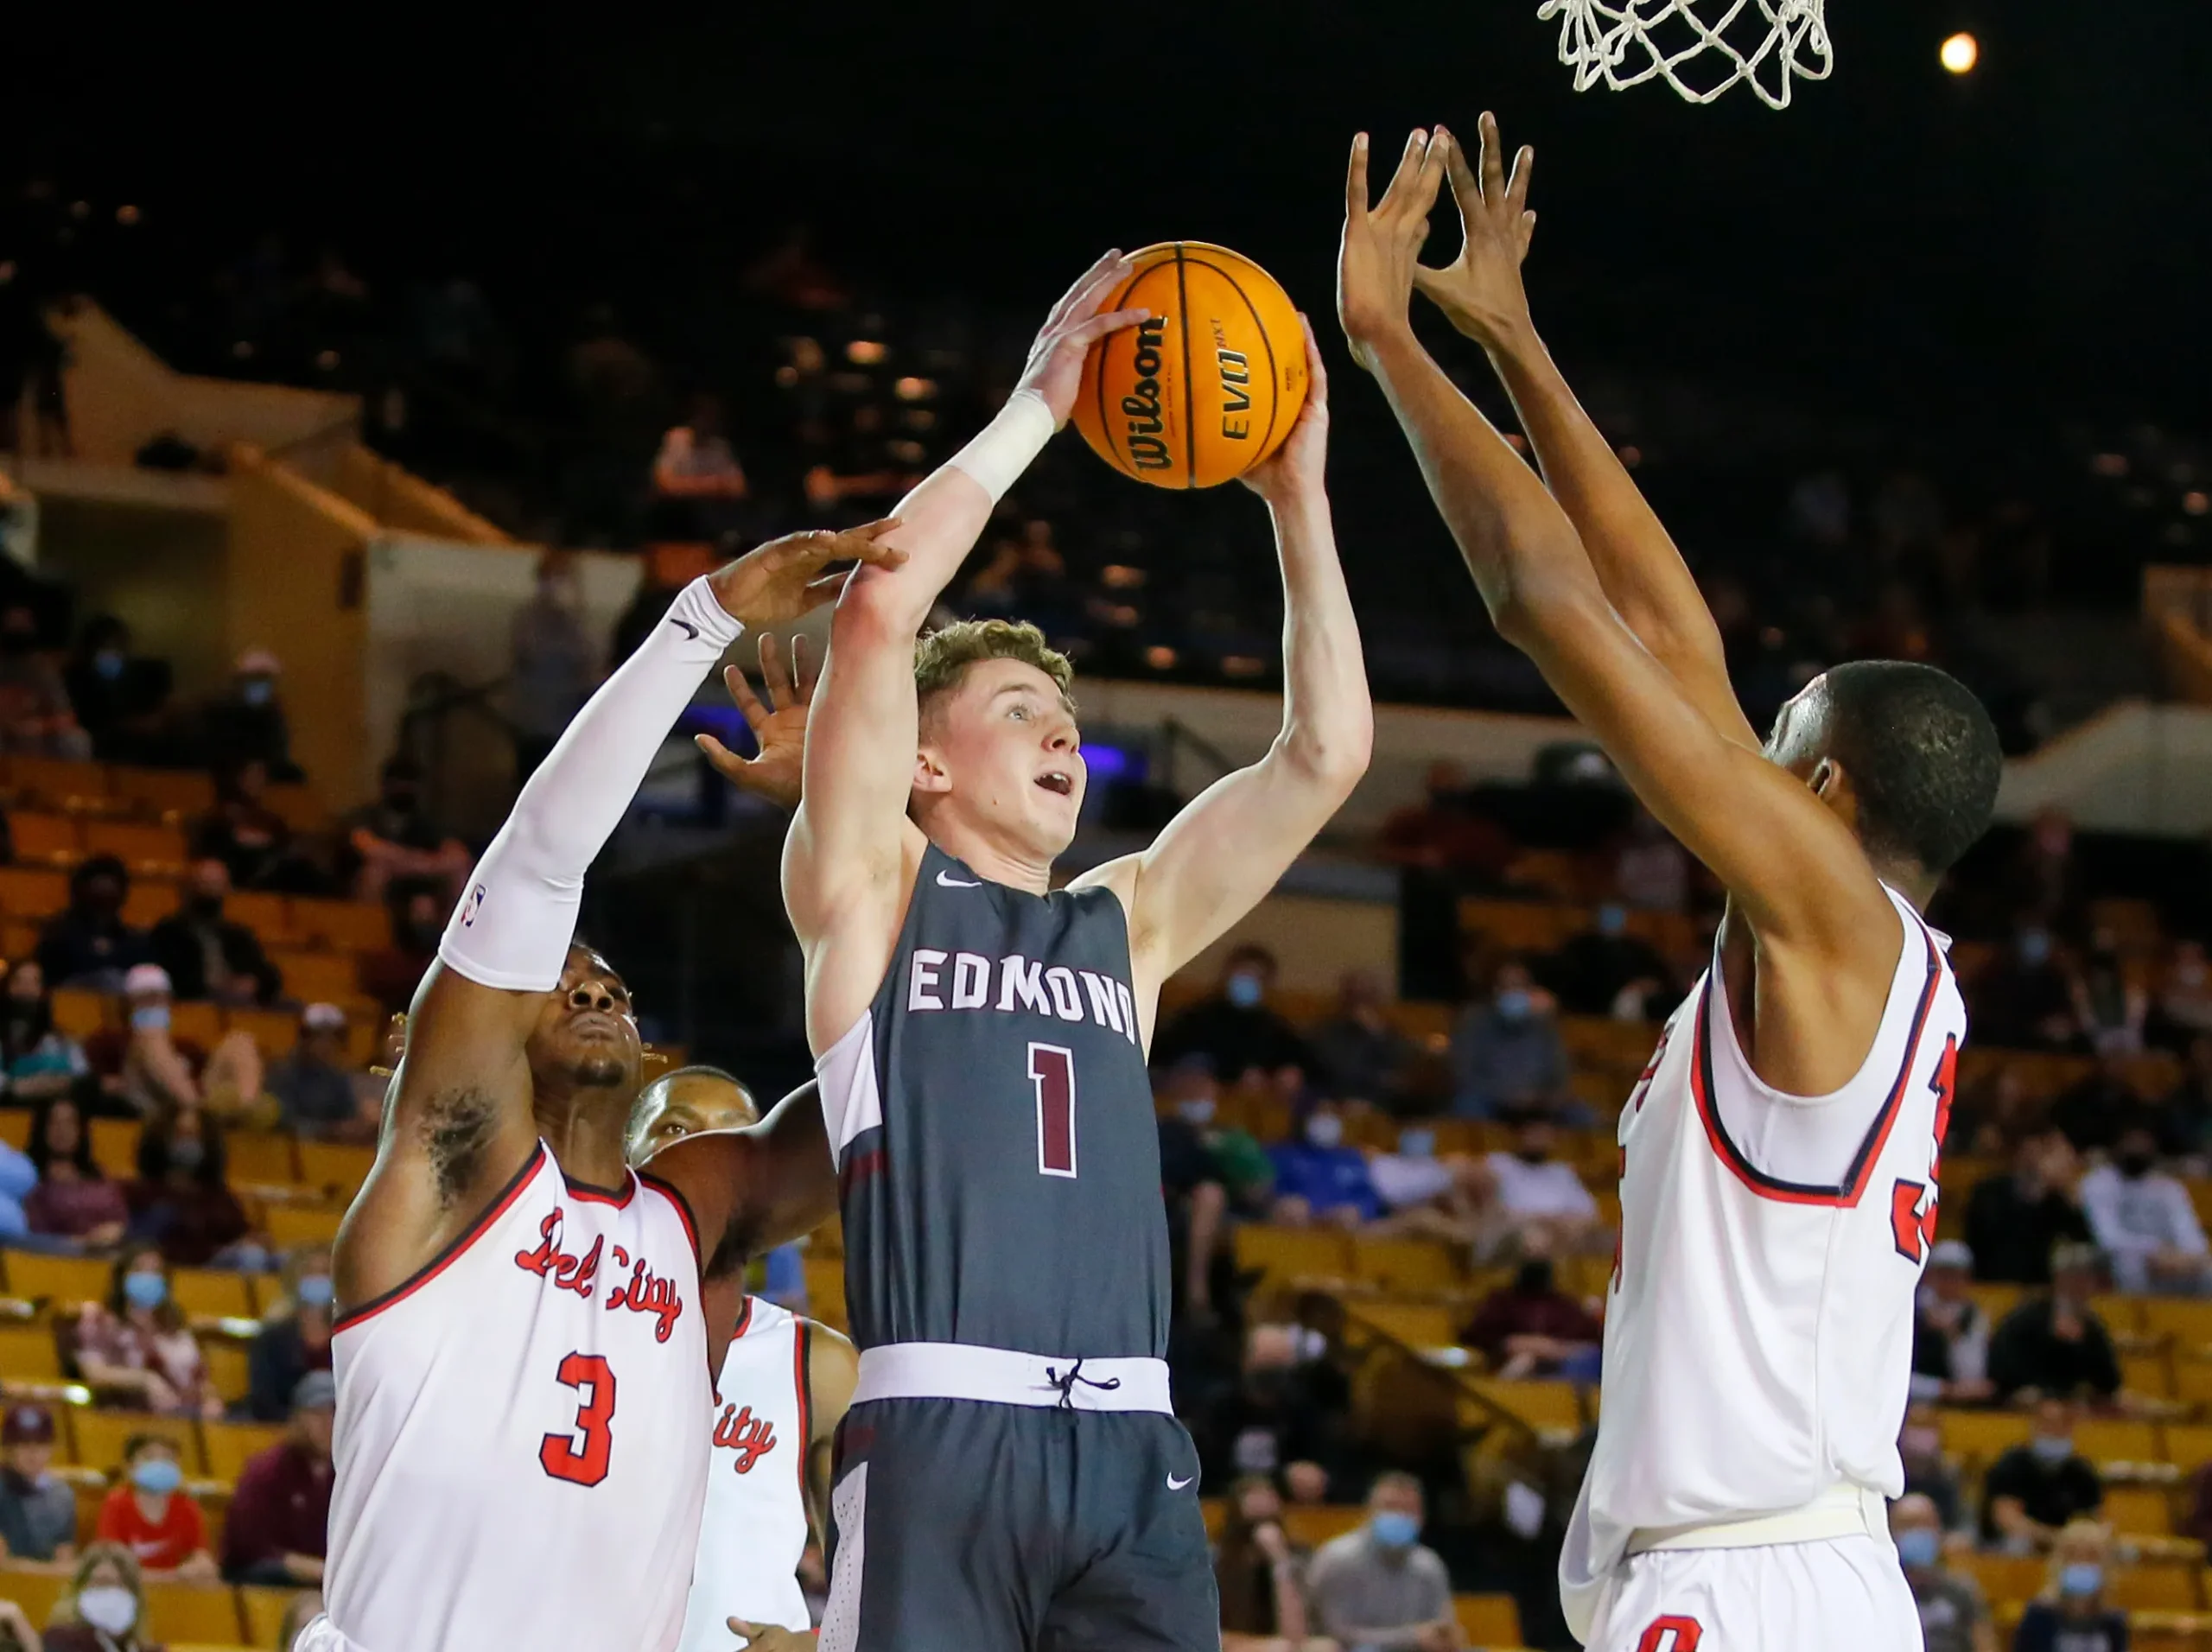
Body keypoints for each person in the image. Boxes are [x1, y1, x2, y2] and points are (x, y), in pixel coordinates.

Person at [1338, 118, 1999, 1650]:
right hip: (1781, 1571)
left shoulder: (1831, 919)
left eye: (1780, 732)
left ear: (1825, 794)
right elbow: (1660, 618)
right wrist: (1514, 340)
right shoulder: (1861, 944)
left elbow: (1546, 600)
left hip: (1749, 1582)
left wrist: (1385, 343)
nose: (1739, 732)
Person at [776, 251, 1367, 1649]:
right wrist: (1042, 405)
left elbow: (1327, 752)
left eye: (1064, 715)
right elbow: (877, 604)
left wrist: (1300, 499)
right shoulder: (871, 889)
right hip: (944, 1428)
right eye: (1021, 705)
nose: (1060, 732)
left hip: (1132, 1445)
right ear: (922, 758)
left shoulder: (1128, 921)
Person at [296, 524, 891, 1652]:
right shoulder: (446, 1180)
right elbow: (536, 861)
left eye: (610, 982)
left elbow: (896, 1072)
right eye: (559, 978)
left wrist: (850, 827)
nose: (593, 988)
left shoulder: (693, 1212)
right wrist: (702, 622)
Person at [624, 1065, 860, 1650]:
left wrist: (812, 1645)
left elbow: (890, 1578)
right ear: (623, 1159)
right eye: (677, 1129)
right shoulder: (558, 1321)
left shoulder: (816, 1362)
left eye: (737, 1134)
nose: (711, 1151)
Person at [1306, 1473, 1461, 1652]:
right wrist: (1412, 1637)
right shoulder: (1337, 1559)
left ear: (1422, 1517)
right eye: (1390, 1508)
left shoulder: (1429, 1565)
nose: (1399, 1516)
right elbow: (1336, 1634)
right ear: (1369, 1512)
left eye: (1408, 1510)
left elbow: (1443, 1630)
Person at [1193, 1324, 1350, 1500]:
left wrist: (1314, 1476)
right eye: (1265, 1369)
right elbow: (1203, 1470)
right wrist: (1278, 1479)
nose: (1271, 1380)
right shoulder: (1218, 1409)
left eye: (1279, 1369)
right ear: (1245, 1361)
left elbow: (1328, 1465)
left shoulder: (1304, 1410)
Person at [68, 1246, 219, 1417]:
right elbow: (94, 1373)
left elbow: (200, 1378)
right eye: (139, 1270)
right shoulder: (100, 1320)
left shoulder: (175, 1325)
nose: (148, 1278)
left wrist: (211, 1399)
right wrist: (144, 1379)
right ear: (122, 1276)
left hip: (185, 1414)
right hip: (129, 1414)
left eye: (155, 1271)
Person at [222, 1371, 334, 1586]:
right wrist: (313, 1569)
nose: (327, 1424)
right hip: (270, 1583)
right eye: (317, 1414)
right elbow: (249, 1548)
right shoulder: (266, 1472)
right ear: (296, 1419)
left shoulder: (344, 1476)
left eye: (334, 1414)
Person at [1153, 944, 1315, 1088]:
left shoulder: (1273, 1027)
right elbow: (1165, 1054)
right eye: (1243, 974)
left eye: (1256, 977)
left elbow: (1305, 1063)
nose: (1247, 982)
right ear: (1226, 975)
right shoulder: (1199, 1018)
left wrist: (1283, 1075)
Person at [2078, 1123, 2212, 1293]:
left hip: (2172, 1267)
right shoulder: (2098, 1183)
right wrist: (2154, 1251)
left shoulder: (2169, 1187)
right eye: (2132, 1141)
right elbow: (2108, 1239)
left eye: (2143, 1141)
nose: (2137, 1147)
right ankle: (2129, 1318)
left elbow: (2192, 1238)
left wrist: (2185, 1259)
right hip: (2123, 1266)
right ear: (2118, 1144)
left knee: (2208, 1269)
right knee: (2129, 1263)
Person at [1988, 1243, 2122, 1404]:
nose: (2082, 1285)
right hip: (2029, 1399)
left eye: (2087, 1278)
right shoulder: (2028, 1318)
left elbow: (2109, 1381)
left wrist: (2079, 1343)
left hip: (2076, 1403)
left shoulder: (2092, 1326)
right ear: (2059, 1278)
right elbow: (2003, 1369)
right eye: (2076, 1277)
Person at [509, 550, 600, 783]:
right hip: (536, 727)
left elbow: (588, 664)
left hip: (569, 728)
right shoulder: (527, 619)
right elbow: (528, 654)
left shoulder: (580, 622)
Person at [126, 1104, 253, 1268]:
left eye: (195, 1136)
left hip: (213, 1274)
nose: (188, 1143)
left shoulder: (221, 1199)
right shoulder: (138, 1194)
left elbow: (237, 1235)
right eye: (181, 1135)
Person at [148, 857, 283, 1006]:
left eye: (216, 885)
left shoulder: (236, 934)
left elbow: (268, 974)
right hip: (196, 1002)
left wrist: (254, 983)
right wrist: (221, 986)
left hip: (241, 1003)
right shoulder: (170, 931)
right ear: (188, 888)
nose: (211, 892)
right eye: (205, 885)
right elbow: (175, 978)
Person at [340, 756, 471, 906]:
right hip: (377, 882)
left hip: (420, 882)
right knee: (375, 873)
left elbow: (458, 855)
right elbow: (369, 847)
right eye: (399, 782)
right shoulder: (366, 817)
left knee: (457, 875)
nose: (404, 788)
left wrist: (421, 865)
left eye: (410, 783)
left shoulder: (425, 823)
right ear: (385, 785)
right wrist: (418, 861)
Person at [1215, 1474, 1325, 1651]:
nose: (1261, 1501)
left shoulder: (1299, 1555)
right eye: (1253, 1496)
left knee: (1325, 1647)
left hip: (1284, 1641)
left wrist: (1279, 1561)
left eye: (1267, 1495)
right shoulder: (1217, 1559)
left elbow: (1296, 1634)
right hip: (1228, 1639)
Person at [1449, 961, 1572, 1121]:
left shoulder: (1544, 1028)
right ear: (1495, 990)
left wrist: (1541, 1098)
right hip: (1488, 1101)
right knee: (1467, 1106)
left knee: (1581, 1115)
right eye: (1507, 986)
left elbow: (1559, 1075)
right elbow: (1464, 1074)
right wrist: (1506, 1095)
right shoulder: (1473, 1023)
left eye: (1519, 986)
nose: (1514, 992)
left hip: (1538, 1104)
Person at [1967, 1134, 2094, 1286]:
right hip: (1990, 1280)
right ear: (2017, 1155)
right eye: (2027, 1154)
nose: (2032, 1161)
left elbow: (2083, 1239)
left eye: (2038, 1154)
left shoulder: (2053, 1199)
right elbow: (1982, 1236)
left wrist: (2070, 1196)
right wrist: (2028, 1201)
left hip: (2039, 1288)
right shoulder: (1989, 1191)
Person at [1461, 1245, 1604, 1381]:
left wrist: (1553, 1348)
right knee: (1524, 1361)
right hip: (1507, 1364)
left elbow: (1591, 1342)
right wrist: (1515, 1344)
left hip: (1562, 1368)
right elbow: (1476, 1337)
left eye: (1542, 1255)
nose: (1536, 1259)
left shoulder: (1565, 1305)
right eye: (1530, 1253)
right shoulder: (1500, 1300)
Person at [1981, 1400, 2105, 1551]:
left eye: (2059, 1426)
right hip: (2021, 1545)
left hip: (2068, 1548)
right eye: (2047, 1424)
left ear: (2069, 1428)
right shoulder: (2012, 1463)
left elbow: (2089, 1526)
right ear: (2034, 1426)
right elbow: (2007, 1519)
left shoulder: (2083, 1472)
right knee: (2017, 1544)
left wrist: (2068, 1541)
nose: (2052, 1431)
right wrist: (2053, 1538)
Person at [93, 1433, 215, 1577]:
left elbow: (203, 1559)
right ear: (130, 1467)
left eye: (168, 1458)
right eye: (149, 1458)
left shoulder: (187, 1506)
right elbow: (110, 1562)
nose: (159, 1465)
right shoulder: (116, 1504)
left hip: (173, 1590)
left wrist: (197, 1568)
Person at [1481, 1112, 1601, 1255]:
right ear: (1519, 1135)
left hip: (1561, 1233)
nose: (1540, 1140)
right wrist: (1541, 1221)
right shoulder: (1497, 1165)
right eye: (1534, 1134)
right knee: (1536, 1240)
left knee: (1609, 1241)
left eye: (1545, 1135)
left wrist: (1559, 1225)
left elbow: (1590, 1214)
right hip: (1510, 1235)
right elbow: (1490, 1212)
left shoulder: (1561, 1172)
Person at [22, 1093, 129, 1250]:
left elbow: (121, 1219)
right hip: (60, 1260)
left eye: (69, 1123)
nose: (62, 1131)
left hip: (112, 1252)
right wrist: (87, 1242)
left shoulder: (97, 1177)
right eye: (54, 1123)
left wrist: (116, 1232)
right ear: (42, 1128)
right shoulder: (30, 1178)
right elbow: (34, 1237)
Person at [1890, 1492, 1993, 1652]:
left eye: (1925, 1524)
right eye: (1908, 1525)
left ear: (1938, 1530)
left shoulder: (1962, 1590)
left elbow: (1985, 1645)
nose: (1917, 1531)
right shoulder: (1884, 1591)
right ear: (1891, 1532)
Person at [1310, 969, 1421, 1113]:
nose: (1360, 1005)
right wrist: (1380, 1078)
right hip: (1336, 1102)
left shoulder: (1390, 1032)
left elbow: (1406, 1069)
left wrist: (1378, 1034)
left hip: (1381, 1105)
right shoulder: (1326, 1031)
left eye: (1366, 996)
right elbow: (1338, 1071)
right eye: (1354, 996)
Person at [247, 1247, 337, 1423]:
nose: (318, 1278)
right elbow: (263, 1400)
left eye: (325, 1272)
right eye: (310, 1272)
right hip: (285, 1430)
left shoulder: (347, 1335)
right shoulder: (271, 1339)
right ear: (295, 1279)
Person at [36, 855, 150, 992]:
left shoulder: (133, 941)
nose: (105, 890)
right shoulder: (58, 934)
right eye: (99, 883)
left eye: (112, 884)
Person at [2011, 1520, 2126, 1652]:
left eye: (2092, 1555)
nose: (2081, 1562)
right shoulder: (2039, 1615)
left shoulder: (2113, 1621)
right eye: (2071, 1554)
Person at [266, 1004, 374, 1141]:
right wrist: (328, 1131)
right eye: (319, 1037)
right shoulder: (283, 1073)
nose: (325, 1045)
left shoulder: (338, 1078)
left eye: (332, 1039)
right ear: (305, 1039)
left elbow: (348, 1116)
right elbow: (284, 1121)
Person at [0, 600, 92, 758]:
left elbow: (66, 716)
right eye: (12, 624)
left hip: (34, 733)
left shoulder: (42, 670)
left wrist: (37, 726)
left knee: (77, 740)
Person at [1268, 1103, 1384, 1228]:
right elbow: (1268, 1191)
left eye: (1330, 1113)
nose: (1326, 1120)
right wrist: (1285, 1203)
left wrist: (1359, 1211)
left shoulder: (1353, 1159)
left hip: (1343, 1228)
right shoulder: (1283, 1155)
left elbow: (1369, 1198)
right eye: (1321, 1113)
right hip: (1296, 1226)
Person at [1911, 1239, 1995, 1405]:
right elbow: (1895, 1378)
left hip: (1952, 1406)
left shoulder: (1972, 1315)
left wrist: (1954, 1335)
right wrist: (1944, 1389)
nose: (1950, 1283)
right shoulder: (1911, 1312)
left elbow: (1972, 1378)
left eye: (1956, 1276)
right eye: (1943, 1275)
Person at [200, 647, 300, 780]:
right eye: (254, 680)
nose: (260, 687)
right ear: (240, 682)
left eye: (266, 681)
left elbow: (278, 755)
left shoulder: (274, 715)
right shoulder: (219, 712)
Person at [2, 957, 91, 1102]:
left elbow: (82, 1075)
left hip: (54, 1107)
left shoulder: (61, 1040)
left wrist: (58, 1084)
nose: (26, 990)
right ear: (7, 988)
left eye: (34, 983)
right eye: (19, 982)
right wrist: (14, 1087)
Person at [41, 1543, 157, 1652]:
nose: (109, 1595)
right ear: (80, 1590)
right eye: (101, 1583)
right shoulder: (59, 1642)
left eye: (119, 1585)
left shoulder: (144, 1648)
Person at [0, 1401, 76, 1564]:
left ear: (52, 1448)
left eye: (40, 1443)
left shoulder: (62, 1496)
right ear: (8, 1448)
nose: (32, 1452)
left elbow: (64, 1556)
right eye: (23, 1443)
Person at [355, 886, 443, 1016]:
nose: (423, 921)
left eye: (427, 916)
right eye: (418, 915)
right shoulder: (391, 958)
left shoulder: (442, 959)